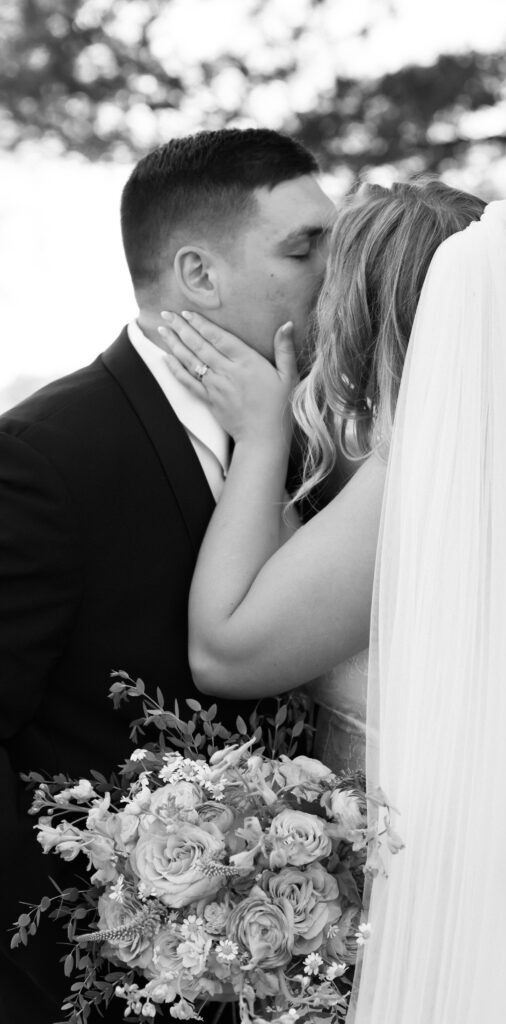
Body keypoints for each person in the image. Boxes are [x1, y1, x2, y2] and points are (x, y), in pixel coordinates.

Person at [161, 180, 506, 1021]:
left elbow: (224, 650)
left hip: (436, 928)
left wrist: (260, 436)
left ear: (364, 311)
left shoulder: (412, 479)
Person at [0, 127, 335, 1024]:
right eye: (305, 248)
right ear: (197, 275)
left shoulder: (319, 439)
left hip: (298, 971)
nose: (335, 274)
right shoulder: (46, 456)